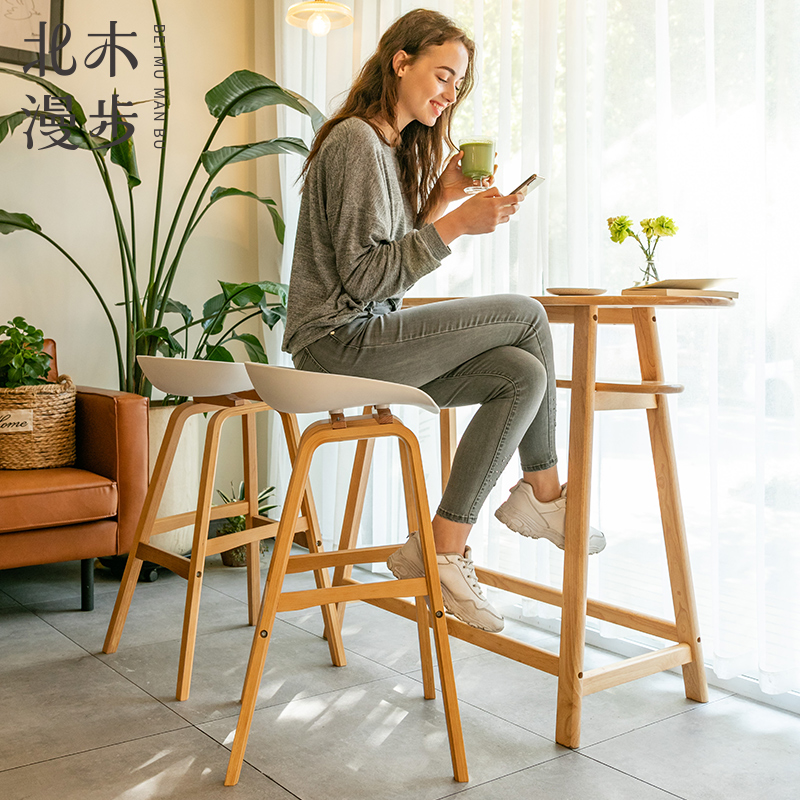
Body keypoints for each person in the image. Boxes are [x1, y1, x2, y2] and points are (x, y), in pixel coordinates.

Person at [282, 8, 605, 633]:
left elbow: (382, 251)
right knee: (528, 317)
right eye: (441, 74)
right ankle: (546, 497)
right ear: (400, 61)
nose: (448, 93)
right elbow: (364, 278)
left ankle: (441, 545)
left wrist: (442, 198)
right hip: (337, 342)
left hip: (361, 339)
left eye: (457, 83)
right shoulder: (355, 140)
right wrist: (453, 226)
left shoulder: (382, 147)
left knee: (520, 373)